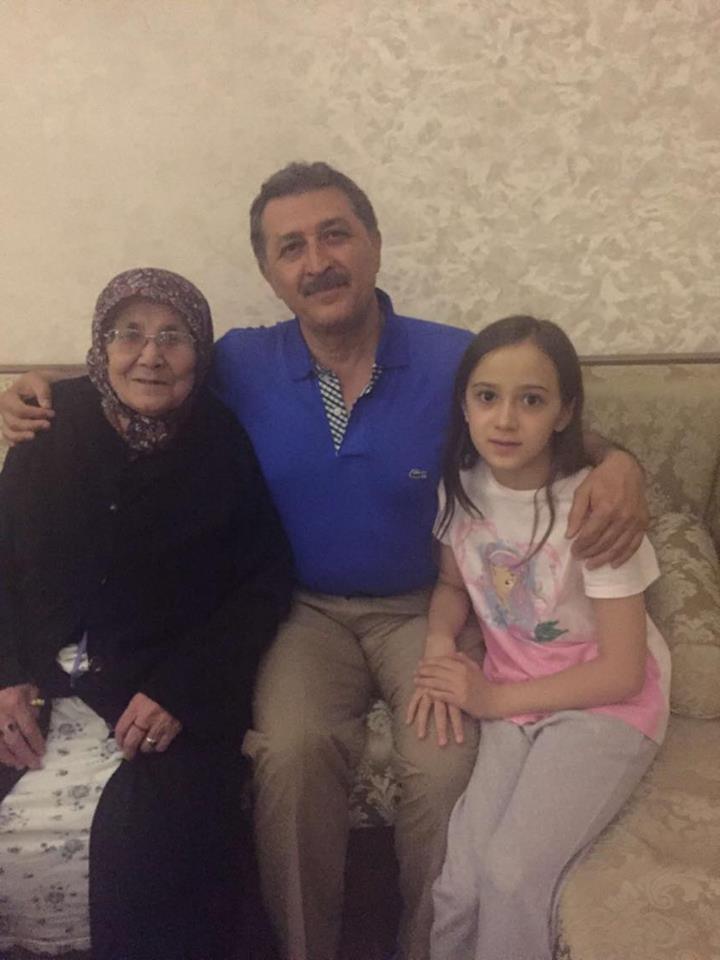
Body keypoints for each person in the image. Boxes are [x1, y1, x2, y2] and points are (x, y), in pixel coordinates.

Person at [0, 163, 649, 960]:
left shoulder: (452, 358)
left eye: (335, 234)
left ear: (372, 243)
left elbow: (542, 417)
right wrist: (39, 385)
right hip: (301, 610)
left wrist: (620, 464)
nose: (317, 262)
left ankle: (424, 950)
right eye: (291, 247)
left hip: (425, 604)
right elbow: (146, 371)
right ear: (270, 273)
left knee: (444, 764)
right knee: (292, 753)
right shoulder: (241, 361)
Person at [0, 268, 293, 959]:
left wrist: (180, 689)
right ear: (101, 346)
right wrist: (5, 674)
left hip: (154, 691)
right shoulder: (50, 422)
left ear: (201, 355)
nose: (150, 355)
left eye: (173, 337)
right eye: (128, 333)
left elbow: (261, 583)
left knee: (160, 848)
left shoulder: (221, 441)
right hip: (34, 684)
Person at [408, 316, 669, 960]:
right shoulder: (461, 488)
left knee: (511, 876)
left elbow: (623, 673)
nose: (505, 419)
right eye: (487, 396)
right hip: (514, 694)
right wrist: (440, 642)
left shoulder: (596, 507)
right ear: (464, 405)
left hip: (602, 704)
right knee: (459, 884)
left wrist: (492, 700)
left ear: (564, 413)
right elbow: (452, 586)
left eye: (531, 400)